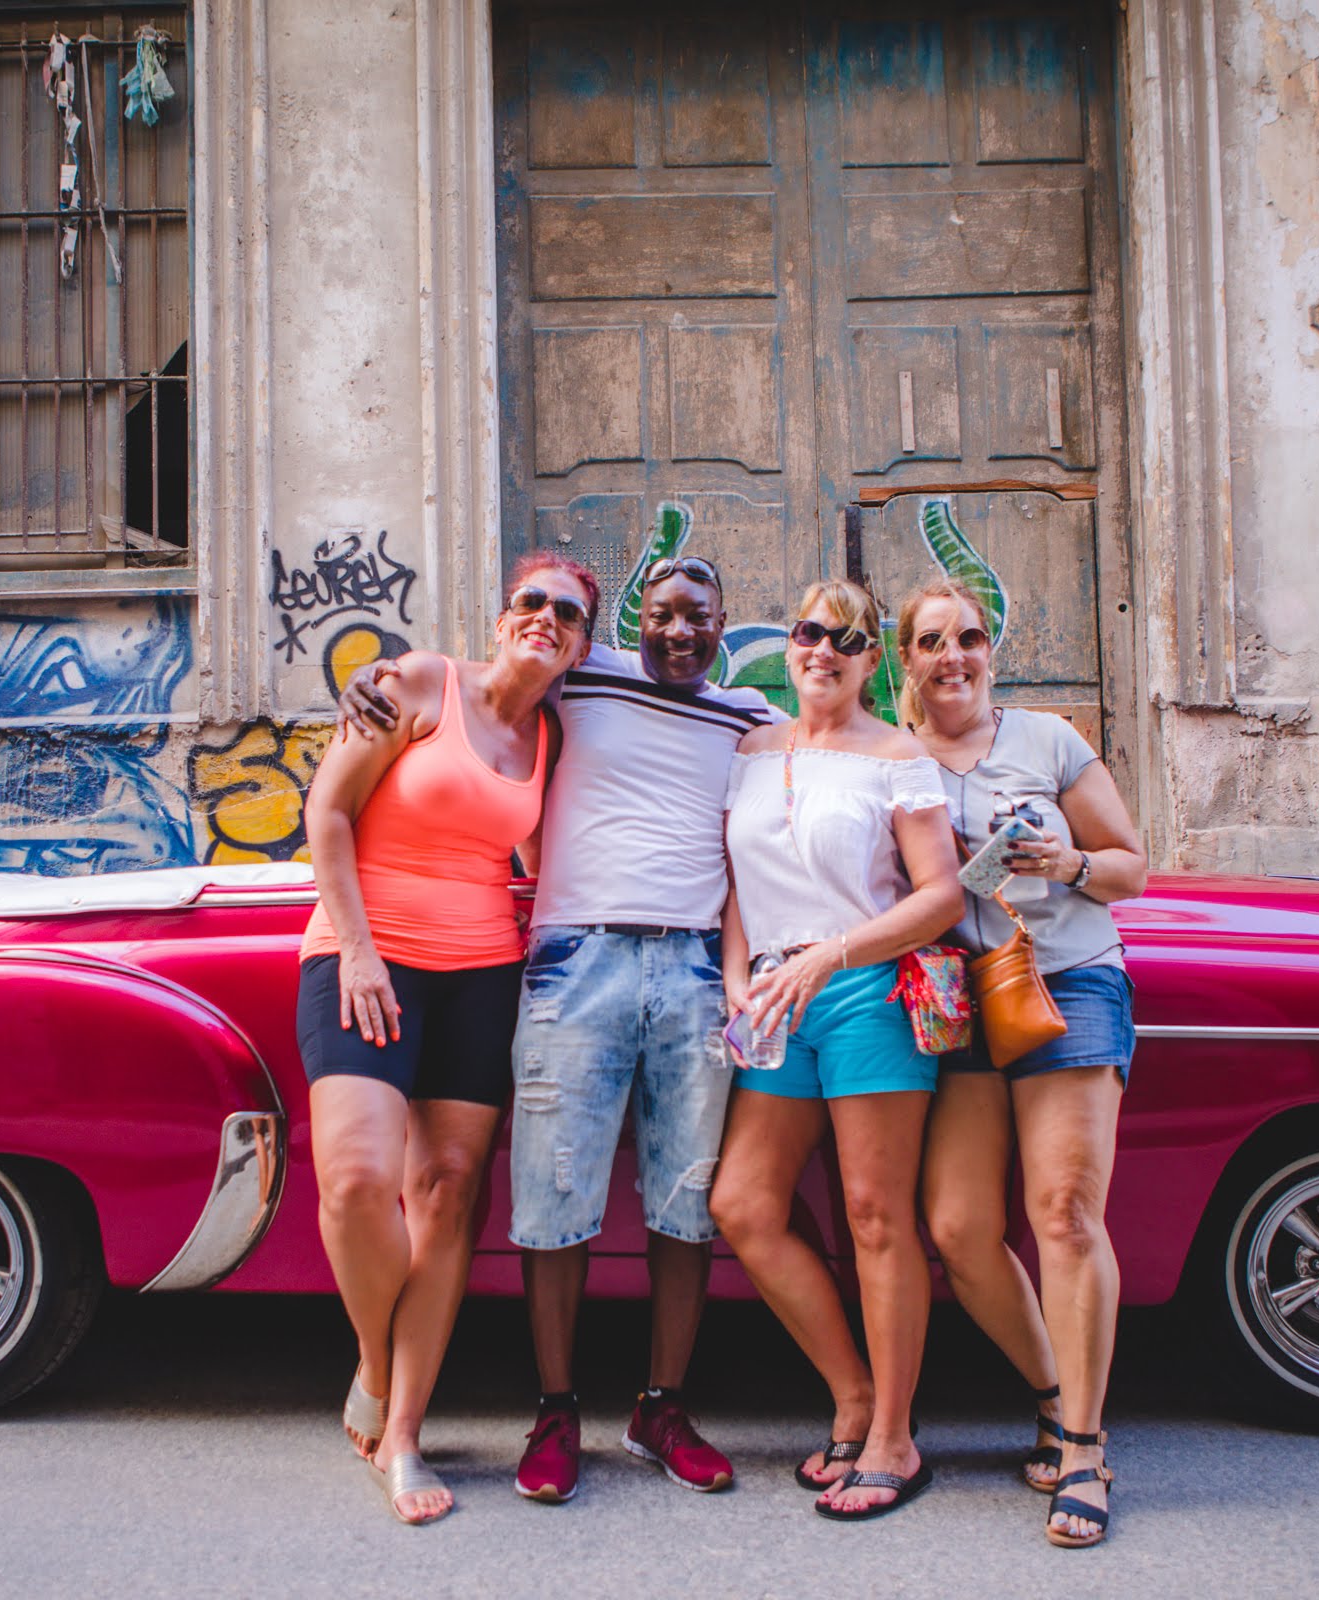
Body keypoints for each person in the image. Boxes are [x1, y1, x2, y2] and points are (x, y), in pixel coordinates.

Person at [339, 553, 775, 1505]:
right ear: (630, 622)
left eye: (699, 616)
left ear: (722, 623)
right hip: (574, 960)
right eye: (661, 614)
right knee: (552, 1195)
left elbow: (842, 753)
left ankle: (662, 1408)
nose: (680, 631)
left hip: (697, 968)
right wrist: (362, 678)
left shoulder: (754, 720)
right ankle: (555, 1410)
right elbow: (474, 681)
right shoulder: (580, 675)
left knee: (685, 1199)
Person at [297, 555, 593, 1525]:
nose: (546, 619)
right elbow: (328, 813)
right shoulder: (420, 681)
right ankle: (378, 1367)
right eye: (532, 602)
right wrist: (358, 949)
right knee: (352, 1179)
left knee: (447, 1195)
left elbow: (550, 862)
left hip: (481, 976)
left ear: (581, 645)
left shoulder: (552, 734)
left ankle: (405, 1433)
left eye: (568, 614)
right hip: (363, 958)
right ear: (503, 617)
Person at [892, 576, 1147, 1549]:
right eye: (929, 642)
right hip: (959, 995)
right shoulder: (895, 757)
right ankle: (1051, 1388)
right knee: (958, 1227)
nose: (950, 656)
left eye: (966, 638)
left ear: (990, 648)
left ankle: (1083, 1446)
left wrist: (1067, 863)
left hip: (1069, 979)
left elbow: (1132, 861)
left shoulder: (1045, 739)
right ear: (904, 659)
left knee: (1064, 1212)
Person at [707, 578, 963, 1521]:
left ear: (870, 660)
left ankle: (894, 1436)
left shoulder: (896, 759)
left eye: (849, 639)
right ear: (792, 644)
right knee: (743, 1204)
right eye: (811, 631)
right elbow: (737, 878)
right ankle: (851, 1393)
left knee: (873, 1216)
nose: (824, 649)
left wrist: (833, 955)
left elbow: (938, 895)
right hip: (774, 995)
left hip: (867, 988)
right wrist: (739, 972)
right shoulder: (750, 748)